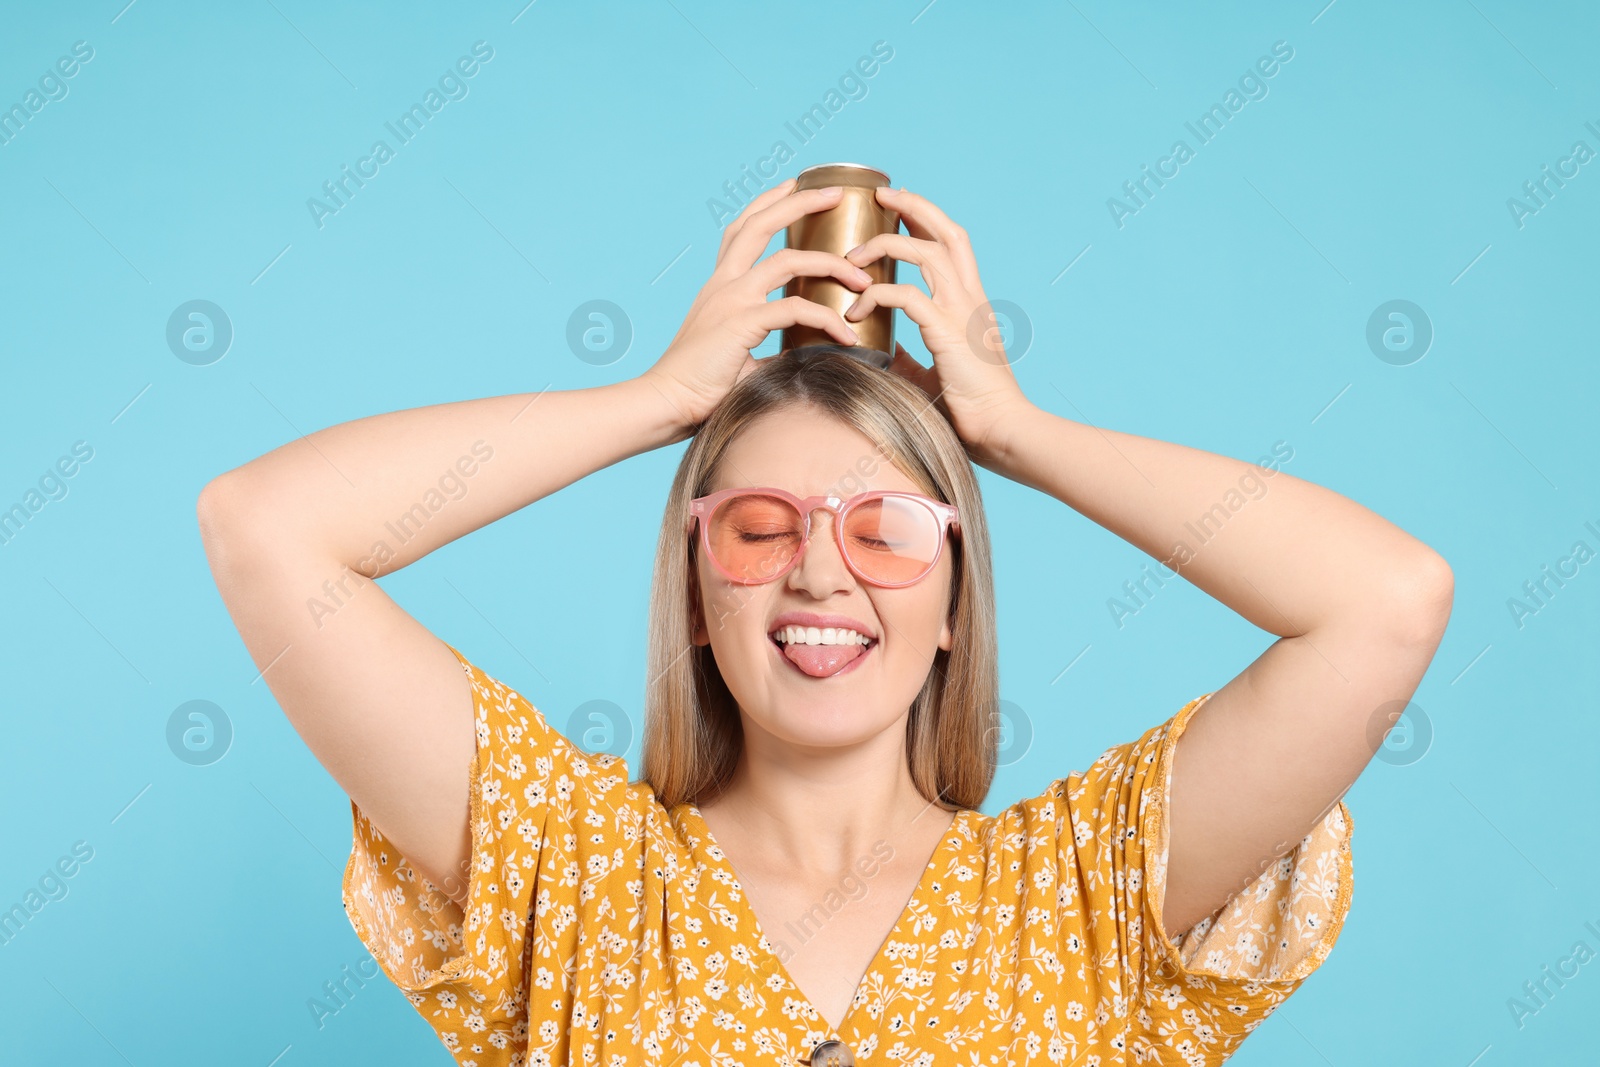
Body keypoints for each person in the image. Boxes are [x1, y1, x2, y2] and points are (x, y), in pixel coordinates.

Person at [198, 177, 1453, 1066]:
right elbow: (269, 526)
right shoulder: (570, 877)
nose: (818, 573)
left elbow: (1383, 601)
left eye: (886, 528)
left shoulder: (1085, 893)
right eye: (756, 524)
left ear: (957, 601)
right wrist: (659, 401)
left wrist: (1018, 432)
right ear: (697, 593)